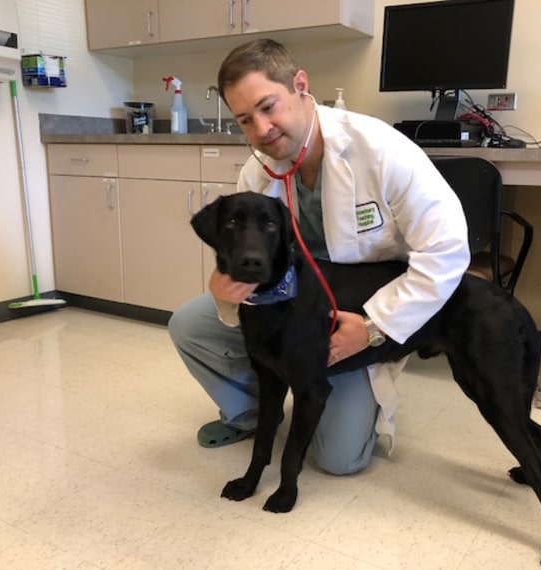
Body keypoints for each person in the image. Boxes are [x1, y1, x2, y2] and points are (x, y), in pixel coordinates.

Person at [168, 38, 470, 476]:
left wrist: (374, 328)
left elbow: (446, 252)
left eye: (269, 106)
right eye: (245, 119)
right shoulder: (258, 170)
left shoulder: (384, 152)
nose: (262, 129)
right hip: (296, 305)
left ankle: (351, 396)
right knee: (190, 324)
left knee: (338, 460)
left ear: (301, 85)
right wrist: (226, 292)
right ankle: (253, 412)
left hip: (364, 307)